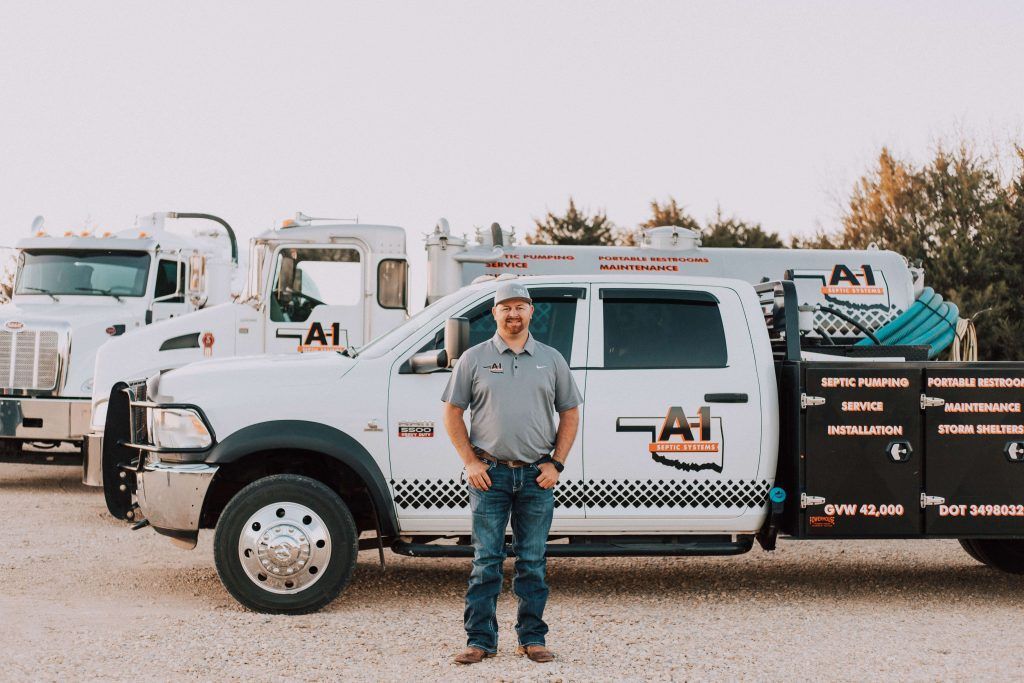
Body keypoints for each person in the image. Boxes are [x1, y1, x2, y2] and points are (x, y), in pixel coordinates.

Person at [442, 281, 582, 665]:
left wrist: (557, 462)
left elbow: (570, 412)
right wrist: (470, 461)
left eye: (521, 307)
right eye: (506, 308)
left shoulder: (551, 359)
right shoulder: (473, 358)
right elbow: (452, 413)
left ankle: (532, 638)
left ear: (532, 311)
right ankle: (480, 641)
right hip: (490, 475)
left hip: (537, 476)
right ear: (494, 314)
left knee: (533, 561)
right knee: (486, 561)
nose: (514, 314)